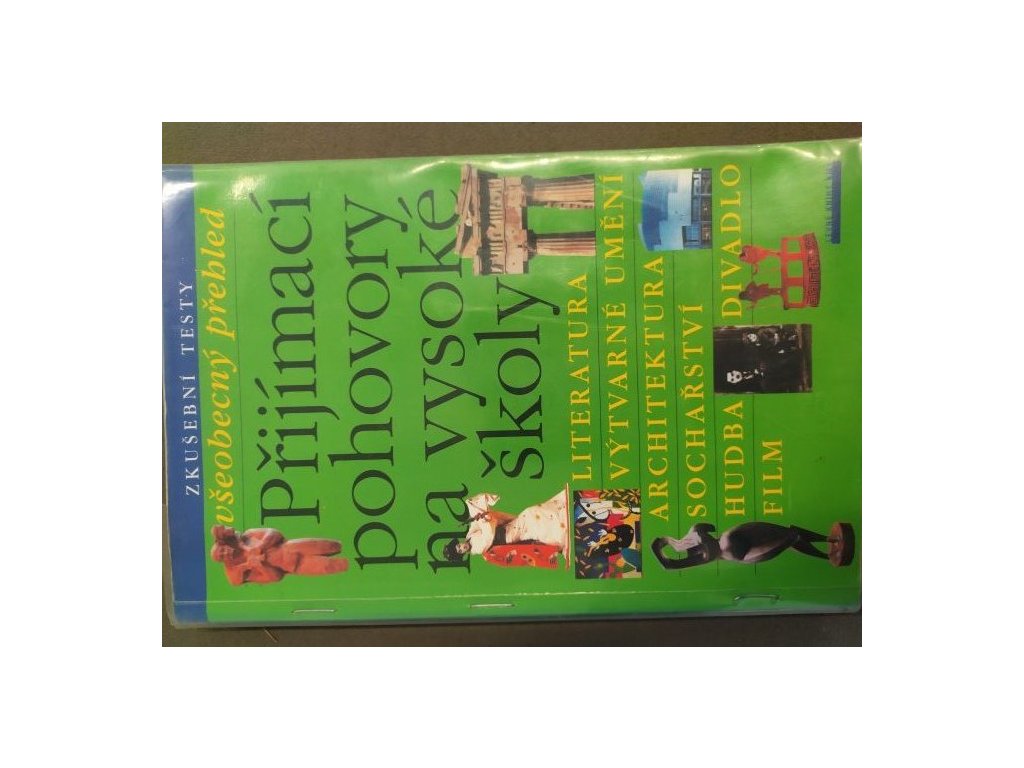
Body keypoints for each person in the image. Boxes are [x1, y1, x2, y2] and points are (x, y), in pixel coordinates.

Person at [443, 489, 570, 569]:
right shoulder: (478, 548)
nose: (462, 547)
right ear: (463, 554)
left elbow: (475, 524)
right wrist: (485, 520)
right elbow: (488, 535)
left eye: (459, 546)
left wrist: (477, 516)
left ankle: (560, 516)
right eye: (460, 551)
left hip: (506, 528)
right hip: (507, 536)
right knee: (530, 515)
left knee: (530, 517)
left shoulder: (469, 537)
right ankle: (561, 528)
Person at [651, 521, 854, 570]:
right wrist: (664, 546)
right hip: (743, 552)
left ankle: (830, 541)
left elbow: (708, 527)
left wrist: (668, 541)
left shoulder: (694, 535)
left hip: (739, 536)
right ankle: (828, 554)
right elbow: (671, 565)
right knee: (791, 538)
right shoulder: (700, 552)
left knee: (790, 533)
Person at [210, 525, 348, 585]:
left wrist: (260, 546)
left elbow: (274, 533)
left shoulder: (248, 536)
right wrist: (259, 565)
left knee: (331, 545)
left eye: (222, 550)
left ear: (224, 545)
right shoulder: (242, 570)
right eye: (222, 556)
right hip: (295, 566)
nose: (225, 553)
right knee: (331, 566)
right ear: (223, 561)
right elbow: (276, 577)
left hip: (293, 546)